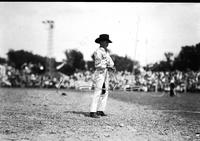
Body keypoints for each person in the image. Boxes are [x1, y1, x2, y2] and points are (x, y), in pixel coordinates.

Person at [89, 34, 115, 118]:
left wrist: (110, 66)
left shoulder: (106, 52)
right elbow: (97, 65)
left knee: (105, 91)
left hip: (106, 73)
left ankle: (100, 110)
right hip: (100, 73)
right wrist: (106, 66)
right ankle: (92, 111)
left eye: (107, 42)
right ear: (101, 42)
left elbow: (111, 62)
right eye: (106, 41)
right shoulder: (98, 51)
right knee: (98, 91)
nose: (107, 43)